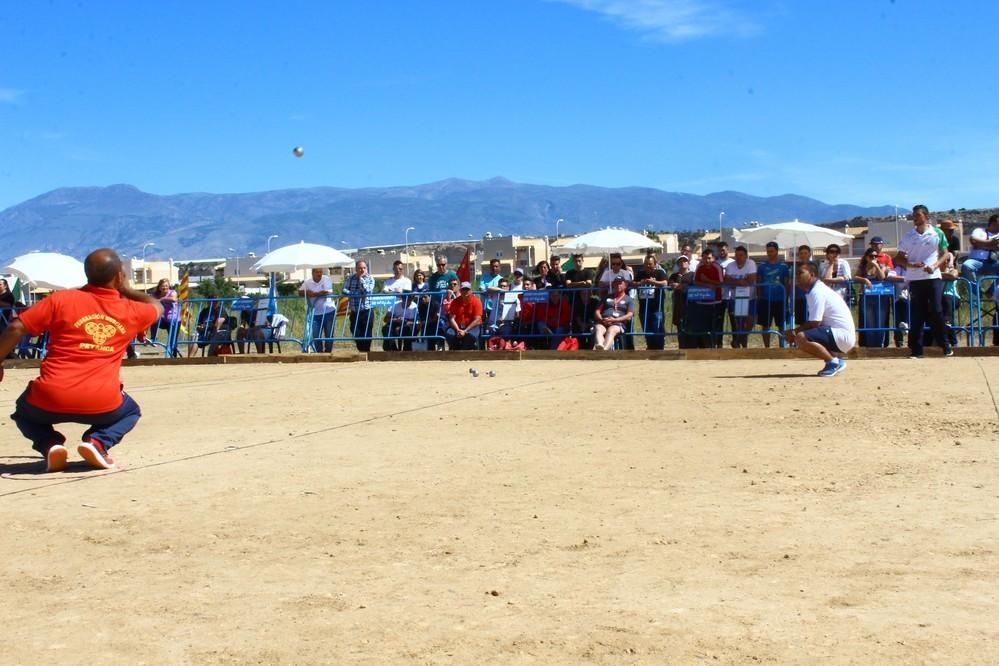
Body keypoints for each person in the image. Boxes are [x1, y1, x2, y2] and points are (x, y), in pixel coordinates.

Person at [0, 248, 162, 471]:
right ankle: (98, 442)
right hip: (103, 401)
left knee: (23, 412)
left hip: (49, 397)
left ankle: (50, 444)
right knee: (131, 412)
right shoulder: (132, 310)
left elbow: (16, 327)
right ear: (118, 276)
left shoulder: (61, 300)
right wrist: (126, 289)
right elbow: (158, 306)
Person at [896, 204, 952, 358]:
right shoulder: (909, 236)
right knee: (917, 314)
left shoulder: (937, 233)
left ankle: (945, 345)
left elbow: (946, 254)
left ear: (926, 217)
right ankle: (917, 350)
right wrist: (910, 264)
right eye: (913, 215)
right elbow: (899, 258)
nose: (915, 218)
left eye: (918, 215)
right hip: (915, 278)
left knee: (936, 310)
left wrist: (934, 266)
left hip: (932, 277)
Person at [784, 263, 856, 377]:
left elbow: (814, 323)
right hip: (841, 335)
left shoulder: (817, 292)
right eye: (796, 274)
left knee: (801, 337)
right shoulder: (815, 290)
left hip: (842, 336)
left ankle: (833, 362)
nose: (797, 276)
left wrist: (794, 332)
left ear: (812, 275)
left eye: (800, 273)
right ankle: (835, 361)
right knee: (805, 335)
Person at [854, 248, 891, 347]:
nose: (874, 258)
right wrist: (864, 279)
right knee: (869, 323)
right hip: (867, 298)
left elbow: (882, 277)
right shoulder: (862, 267)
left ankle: (880, 345)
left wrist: (876, 265)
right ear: (866, 257)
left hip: (881, 297)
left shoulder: (881, 266)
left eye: (876, 256)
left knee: (880, 322)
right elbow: (855, 277)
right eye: (871, 256)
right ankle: (871, 346)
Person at [756, 241, 791, 348]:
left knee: (782, 325)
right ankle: (767, 347)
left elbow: (787, 284)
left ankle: (782, 346)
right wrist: (760, 297)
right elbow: (759, 283)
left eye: (771, 251)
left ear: (777, 251)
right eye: (768, 251)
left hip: (780, 300)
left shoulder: (783, 267)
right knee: (765, 325)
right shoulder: (762, 267)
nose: (769, 253)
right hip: (766, 300)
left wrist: (786, 297)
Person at [689, 248, 724, 348]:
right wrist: (707, 284)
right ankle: (706, 347)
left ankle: (717, 345)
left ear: (713, 258)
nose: (707, 260)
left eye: (709, 258)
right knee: (703, 327)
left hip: (716, 302)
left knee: (716, 326)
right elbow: (695, 281)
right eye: (705, 258)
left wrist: (707, 280)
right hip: (702, 301)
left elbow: (721, 283)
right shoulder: (699, 266)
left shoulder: (718, 267)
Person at [633, 254, 669, 350]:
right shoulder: (640, 273)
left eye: (650, 264)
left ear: (654, 264)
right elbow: (633, 283)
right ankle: (650, 347)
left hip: (657, 307)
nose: (648, 266)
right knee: (646, 329)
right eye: (646, 264)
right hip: (644, 307)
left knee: (657, 327)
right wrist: (641, 283)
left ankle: (660, 348)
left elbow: (665, 283)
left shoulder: (659, 272)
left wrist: (653, 282)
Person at [724, 246, 757, 348]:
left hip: (750, 298)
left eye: (741, 255)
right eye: (736, 255)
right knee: (740, 323)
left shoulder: (751, 263)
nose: (738, 257)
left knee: (751, 321)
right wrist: (741, 281)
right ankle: (743, 346)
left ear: (746, 256)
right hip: (736, 298)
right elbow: (727, 280)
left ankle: (738, 339)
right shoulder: (730, 265)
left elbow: (751, 279)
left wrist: (735, 281)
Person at [592, 276, 634, 350]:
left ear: (625, 285)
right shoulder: (606, 297)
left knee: (611, 330)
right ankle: (600, 345)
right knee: (598, 328)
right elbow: (597, 311)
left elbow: (630, 314)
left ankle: (604, 350)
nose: (618, 285)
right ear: (613, 285)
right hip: (603, 321)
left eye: (620, 283)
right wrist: (602, 320)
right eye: (616, 284)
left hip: (618, 324)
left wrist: (615, 320)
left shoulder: (629, 299)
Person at [342, 260, 375, 352]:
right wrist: (355, 294)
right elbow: (344, 290)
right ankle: (361, 350)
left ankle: (366, 351)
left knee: (367, 333)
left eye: (364, 268)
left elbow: (367, 291)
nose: (362, 270)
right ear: (356, 269)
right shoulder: (351, 278)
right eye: (360, 268)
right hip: (355, 311)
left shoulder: (370, 278)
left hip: (367, 310)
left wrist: (361, 279)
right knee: (355, 331)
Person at [299, 267, 335, 353]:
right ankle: (319, 353)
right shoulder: (307, 282)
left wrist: (313, 294)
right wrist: (308, 293)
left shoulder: (326, 279)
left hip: (329, 311)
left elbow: (327, 292)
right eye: (317, 272)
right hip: (315, 313)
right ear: (312, 273)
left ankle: (328, 352)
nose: (319, 274)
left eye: (321, 272)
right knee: (316, 335)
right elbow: (300, 292)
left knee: (329, 335)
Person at [960, 214, 999, 286]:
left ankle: (991, 292)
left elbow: (997, 247)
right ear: (993, 223)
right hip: (976, 261)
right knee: (966, 266)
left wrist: (980, 245)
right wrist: (990, 243)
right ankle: (976, 292)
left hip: (993, 262)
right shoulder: (979, 231)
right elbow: (973, 240)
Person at [446, 282, 483, 350]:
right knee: (449, 334)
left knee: (468, 338)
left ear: (471, 291)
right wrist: (458, 330)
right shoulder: (455, 301)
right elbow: (451, 318)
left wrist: (465, 331)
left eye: (467, 289)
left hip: (472, 328)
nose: (465, 291)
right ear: (460, 290)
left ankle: (468, 351)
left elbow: (477, 320)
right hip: (457, 327)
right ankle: (454, 353)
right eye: (463, 289)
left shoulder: (477, 301)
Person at [148, 278, 179, 356]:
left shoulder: (172, 292)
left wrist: (162, 299)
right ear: (159, 287)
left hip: (174, 320)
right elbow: (149, 299)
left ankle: (172, 356)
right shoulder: (156, 294)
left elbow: (174, 299)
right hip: (163, 319)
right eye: (162, 286)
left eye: (166, 286)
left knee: (173, 340)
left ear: (169, 286)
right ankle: (153, 338)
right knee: (154, 318)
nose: (164, 287)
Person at [668, 255, 694, 348]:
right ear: (678, 264)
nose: (683, 263)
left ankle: (691, 350)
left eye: (685, 261)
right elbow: (670, 285)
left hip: (690, 306)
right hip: (678, 305)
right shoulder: (674, 275)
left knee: (691, 329)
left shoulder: (692, 275)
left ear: (688, 263)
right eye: (680, 261)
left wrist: (681, 286)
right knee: (680, 330)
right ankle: (682, 349)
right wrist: (676, 284)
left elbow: (694, 285)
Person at [793, 245, 819, 327]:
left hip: (811, 297)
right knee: (801, 322)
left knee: (811, 320)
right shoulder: (795, 266)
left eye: (805, 253)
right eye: (801, 253)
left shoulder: (814, 266)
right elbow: (792, 281)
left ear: (809, 254)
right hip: (799, 297)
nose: (803, 255)